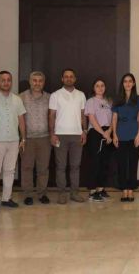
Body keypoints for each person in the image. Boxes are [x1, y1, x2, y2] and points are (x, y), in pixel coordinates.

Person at [0, 71, 26, 210]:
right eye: (3, 80)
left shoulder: (17, 100)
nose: (6, 82)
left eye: (8, 80)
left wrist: (23, 138)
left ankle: (7, 198)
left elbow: (21, 121)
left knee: (10, 170)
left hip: (14, 141)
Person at [49, 68, 87, 204]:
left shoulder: (81, 95)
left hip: (77, 135)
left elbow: (83, 115)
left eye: (71, 76)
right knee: (61, 167)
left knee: (75, 166)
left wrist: (84, 131)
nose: (69, 78)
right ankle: (61, 194)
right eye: (66, 76)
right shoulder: (55, 95)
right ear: (62, 79)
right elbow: (51, 116)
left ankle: (74, 193)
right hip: (60, 135)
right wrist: (52, 134)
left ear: (74, 79)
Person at [19, 71, 51, 205]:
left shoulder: (49, 97)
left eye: (40, 81)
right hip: (27, 139)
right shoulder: (21, 97)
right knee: (27, 167)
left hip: (45, 138)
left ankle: (42, 193)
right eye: (34, 80)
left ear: (44, 83)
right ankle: (28, 195)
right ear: (30, 82)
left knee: (43, 168)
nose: (37, 83)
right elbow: (18, 118)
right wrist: (22, 138)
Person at [112, 73, 139, 202]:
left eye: (130, 81)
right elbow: (114, 118)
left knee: (133, 163)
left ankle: (131, 190)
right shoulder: (117, 99)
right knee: (122, 164)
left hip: (134, 134)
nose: (128, 83)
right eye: (125, 81)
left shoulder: (138, 99)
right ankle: (124, 189)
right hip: (120, 134)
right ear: (122, 84)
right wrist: (114, 134)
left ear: (134, 83)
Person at [84, 78, 113, 202]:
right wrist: (103, 133)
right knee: (94, 162)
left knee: (104, 162)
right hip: (96, 133)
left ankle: (100, 189)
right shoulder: (90, 101)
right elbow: (92, 119)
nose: (100, 88)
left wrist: (109, 131)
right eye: (97, 85)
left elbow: (113, 118)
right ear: (93, 88)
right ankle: (92, 191)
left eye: (102, 85)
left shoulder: (109, 102)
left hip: (108, 132)